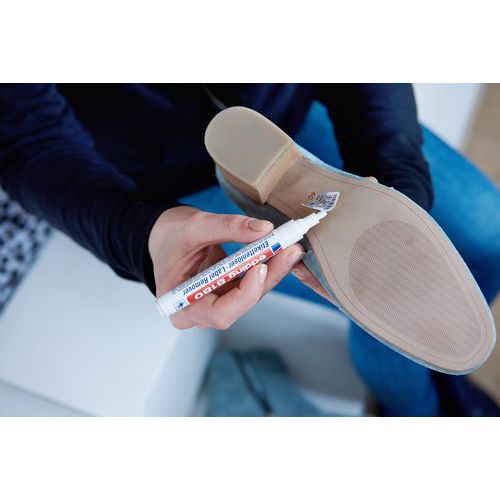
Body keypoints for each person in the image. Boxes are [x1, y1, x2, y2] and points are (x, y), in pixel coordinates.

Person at [0, 84, 498, 416]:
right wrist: (138, 232)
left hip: (282, 114)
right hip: (168, 175)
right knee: (379, 297)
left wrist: (396, 171)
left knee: (486, 237)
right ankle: (417, 409)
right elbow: (23, 138)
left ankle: (424, 385)